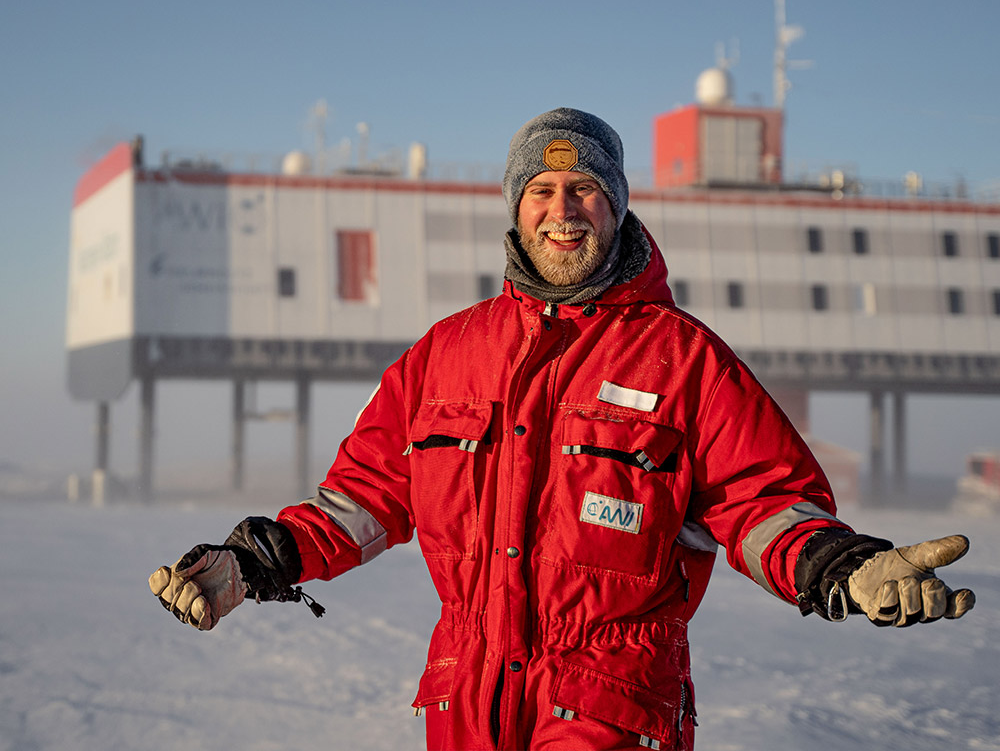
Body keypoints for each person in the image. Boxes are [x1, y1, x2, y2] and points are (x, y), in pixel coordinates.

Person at [150, 108, 975, 751]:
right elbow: (363, 498)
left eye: (584, 189)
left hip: (612, 700)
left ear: (615, 206)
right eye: (541, 193)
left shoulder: (684, 360)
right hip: (467, 698)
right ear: (516, 210)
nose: (562, 210)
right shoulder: (447, 353)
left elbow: (762, 502)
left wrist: (844, 567)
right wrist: (254, 562)